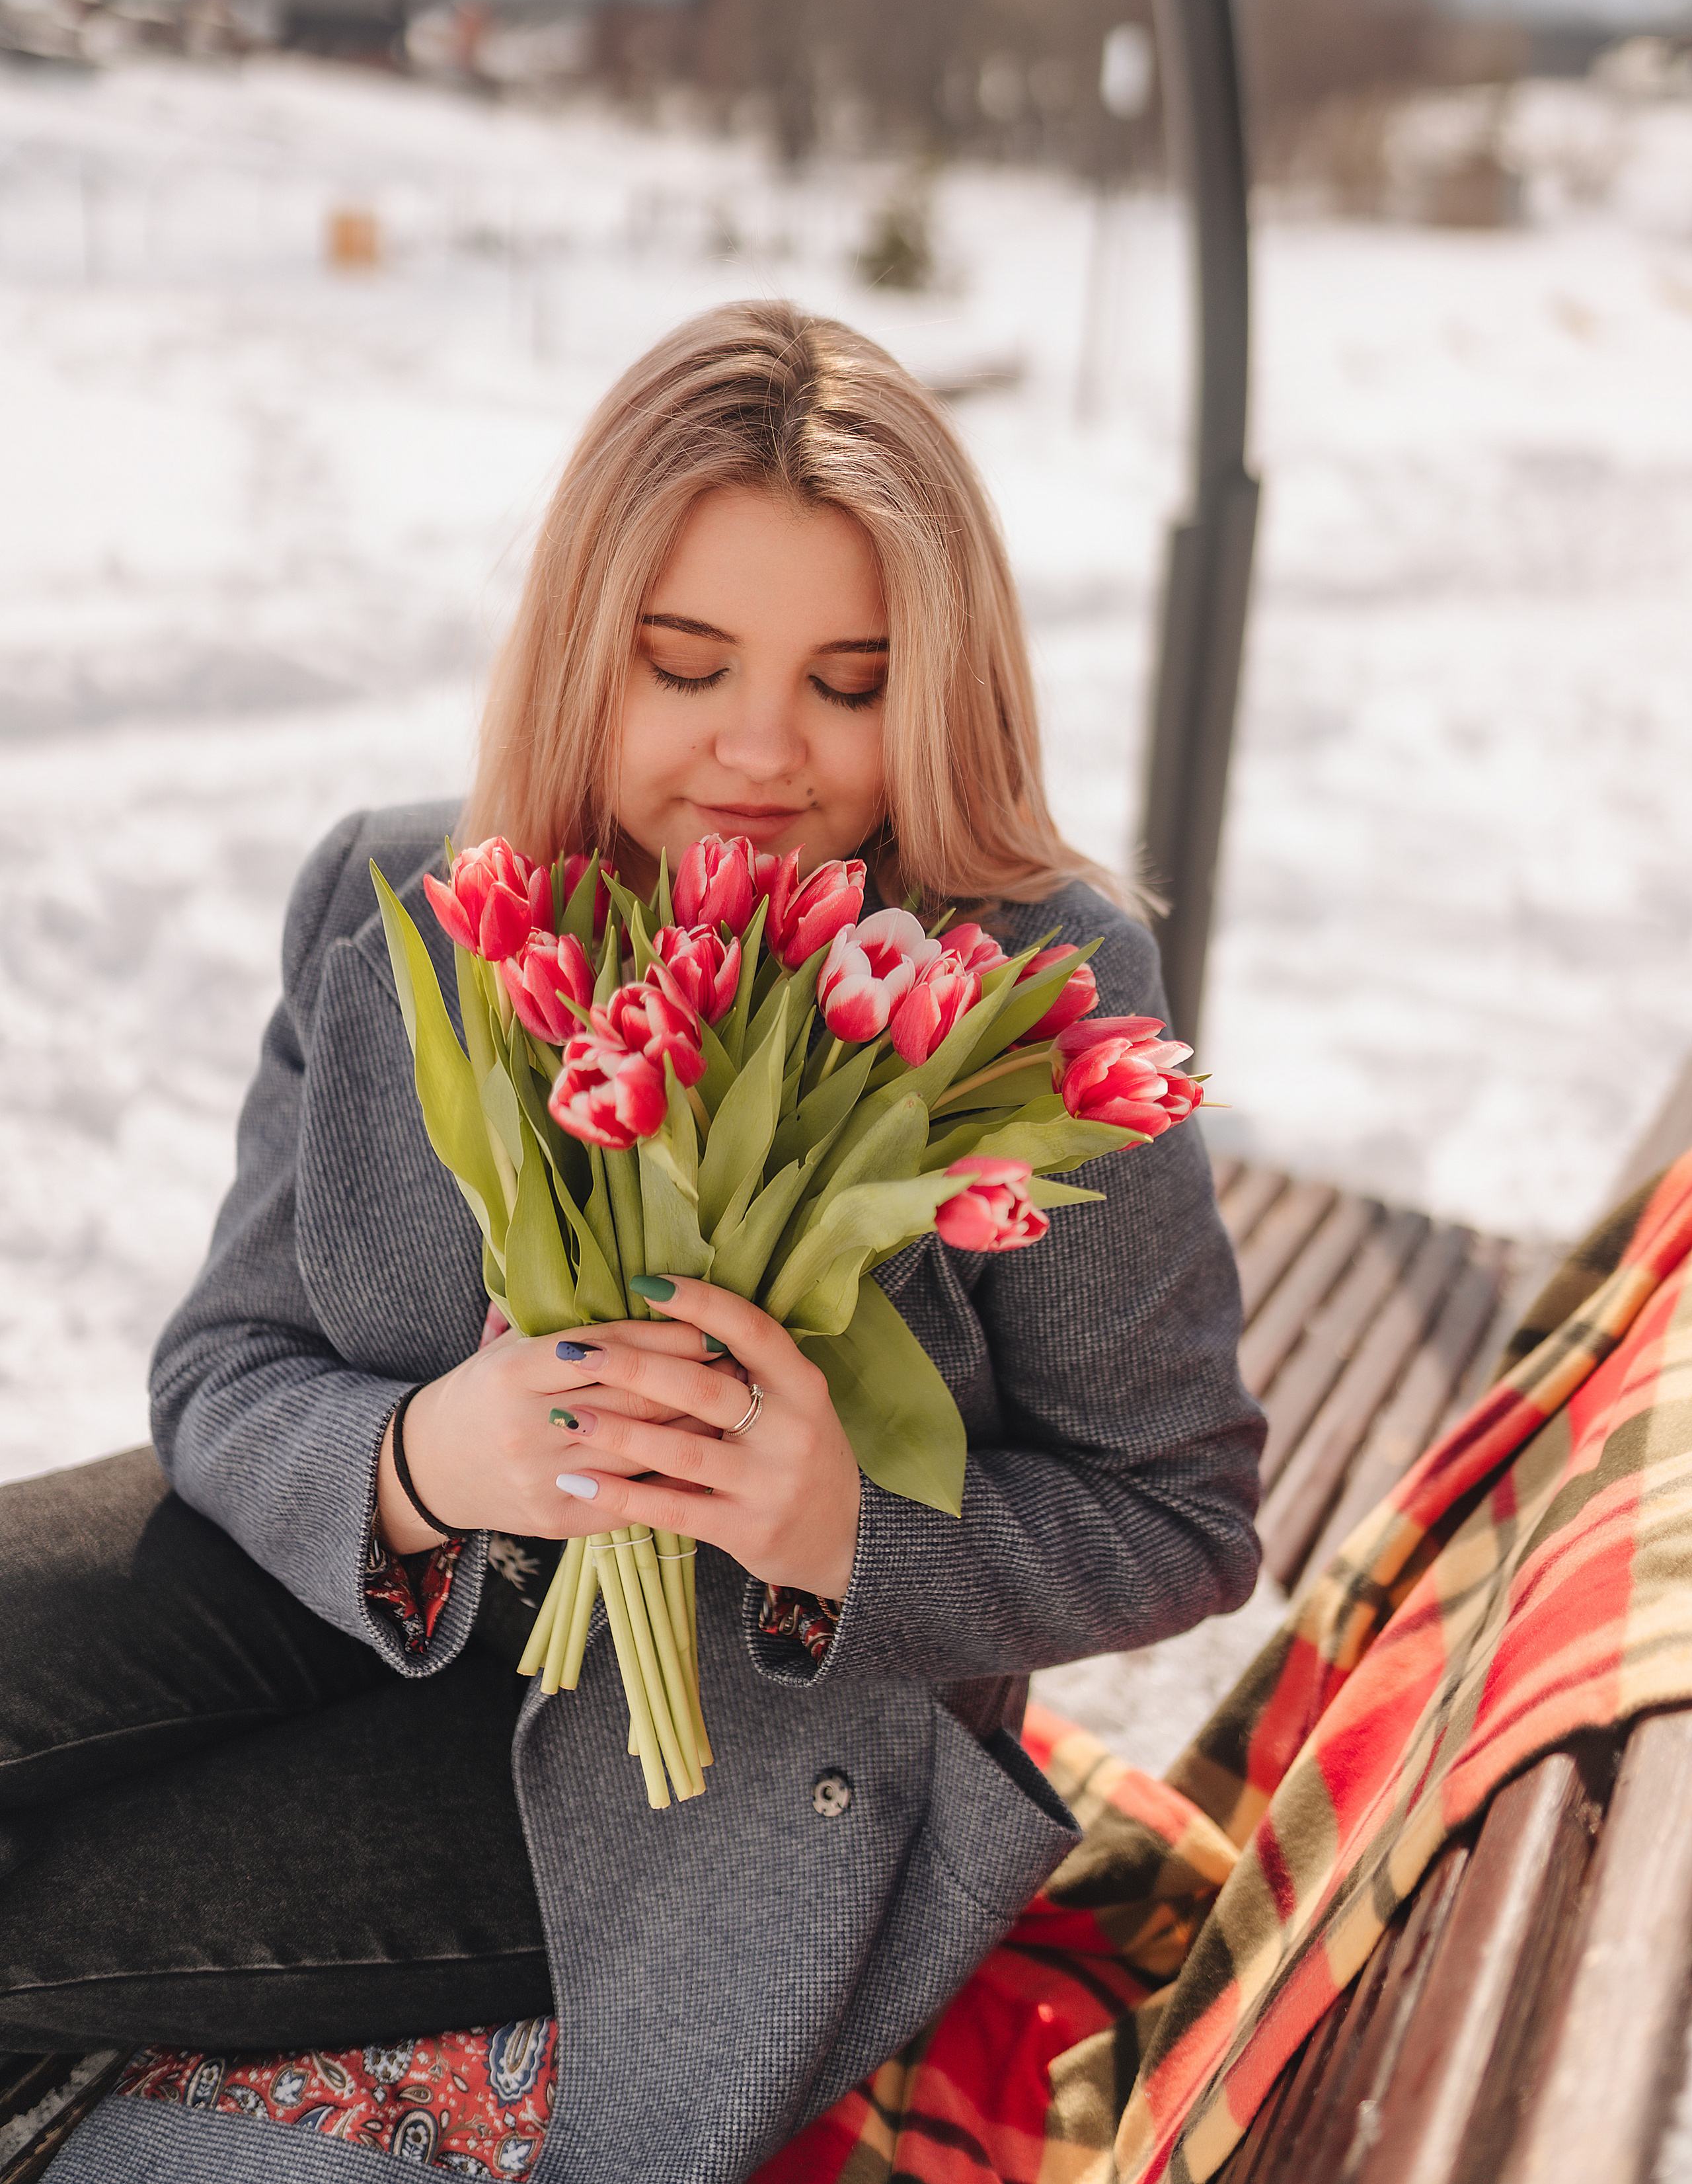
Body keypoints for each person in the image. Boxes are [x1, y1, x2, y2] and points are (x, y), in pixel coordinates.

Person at [1, 301, 1264, 2184]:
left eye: (852, 683)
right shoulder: (406, 904)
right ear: (582, 646)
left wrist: (839, 1528)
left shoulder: (1027, 977)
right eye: (686, 665)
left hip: (704, 1766)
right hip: (348, 1583)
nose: (763, 750)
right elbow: (226, 1369)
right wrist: (422, 1461)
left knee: (43, 1919)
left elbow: (1182, 1512)